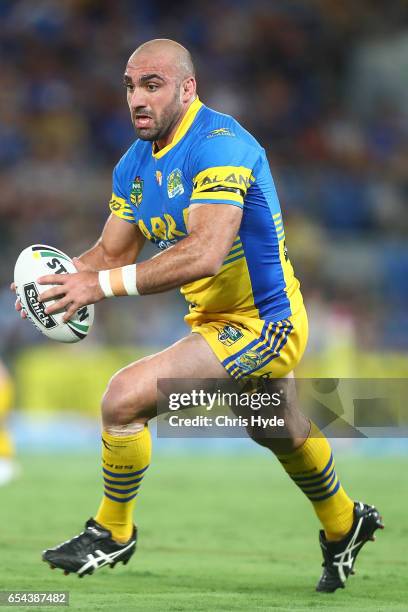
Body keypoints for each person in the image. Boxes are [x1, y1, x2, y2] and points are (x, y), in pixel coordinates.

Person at [13, 39, 382, 591]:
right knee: (275, 428)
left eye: (153, 85)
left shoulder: (221, 145)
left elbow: (205, 252)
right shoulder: (133, 165)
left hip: (265, 321)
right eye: (130, 87)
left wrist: (101, 287)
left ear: (188, 88)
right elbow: (111, 253)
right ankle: (344, 522)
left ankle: (113, 531)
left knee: (124, 397)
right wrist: (54, 287)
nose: (137, 99)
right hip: (213, 321)